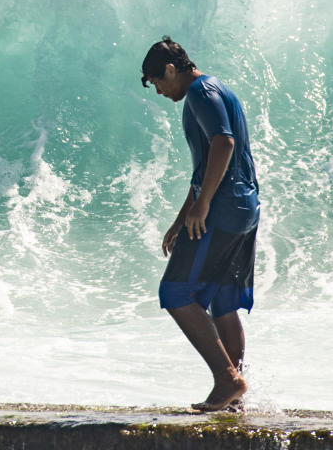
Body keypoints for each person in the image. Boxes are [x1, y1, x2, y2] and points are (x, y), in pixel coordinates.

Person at [141, 36, 260, 412]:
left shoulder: (199, 93)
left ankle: (227, 379)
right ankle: (234, 398)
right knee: (224, 302)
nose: (159, 91)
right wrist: (182, 218)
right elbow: (208, 163)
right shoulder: (218, 88)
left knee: (177, 293)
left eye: (157, 81)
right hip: (244, 207)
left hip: (222, 209)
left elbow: (223, 144)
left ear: (172, 69)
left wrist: (204, 203)